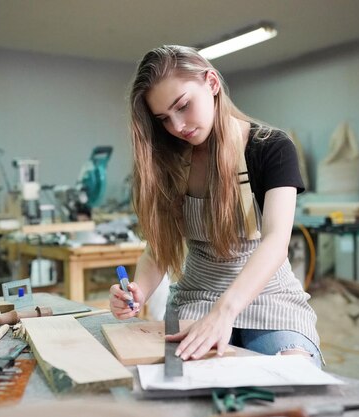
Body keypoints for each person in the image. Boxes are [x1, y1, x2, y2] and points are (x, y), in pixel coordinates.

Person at [109, 45, 322, 367]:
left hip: (269, 297)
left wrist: (224, 312)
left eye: (183, 106)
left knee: (291, 376)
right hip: (197, 299)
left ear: (211, 83)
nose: (178, 126)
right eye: (164, 118)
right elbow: (159, 250)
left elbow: (276, 242)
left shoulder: (271, 147)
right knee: (181, 387)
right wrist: (136, 292)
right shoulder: (168, 160)